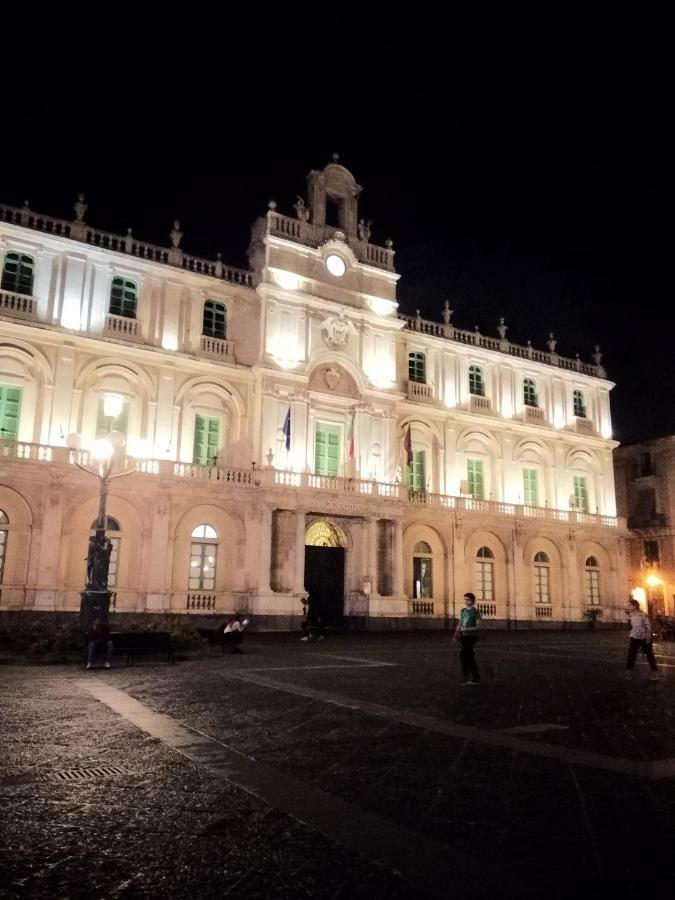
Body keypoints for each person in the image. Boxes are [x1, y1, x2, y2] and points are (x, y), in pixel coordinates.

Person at [625, 598, 659, 679]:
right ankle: (628, 671)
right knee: (631, 655)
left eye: (630, 605)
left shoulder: (643, 614)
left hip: (644, 637)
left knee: (649, 655)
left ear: (634, 606)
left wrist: (648, 637)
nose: (628, 606)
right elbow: (630, 621)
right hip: (634, 637)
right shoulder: (631, 614)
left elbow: (648, 626)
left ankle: (655, 672)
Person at [454, 592, 481, 684]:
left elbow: (477, 626)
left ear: (472, 601)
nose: (466, 601)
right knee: (464, 656)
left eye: (468, 600)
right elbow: (460, 623)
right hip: (464, 636)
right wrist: (456, 634)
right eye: (465, 599)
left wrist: (466, 628)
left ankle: (472, 677)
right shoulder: (463, 611)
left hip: (471, 636)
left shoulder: (475, 612)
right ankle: (471, 675)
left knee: (468, 656)